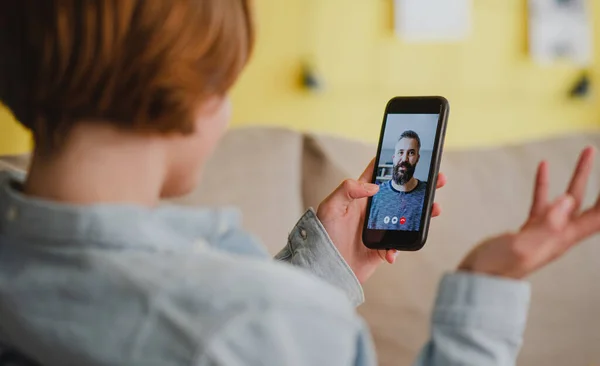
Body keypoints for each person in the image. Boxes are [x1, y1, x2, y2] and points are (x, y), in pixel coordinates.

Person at [0, 1, 599, 365]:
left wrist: (322, 268)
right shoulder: (261, 323)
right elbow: (243, 334)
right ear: (187, 97)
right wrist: (485, 286)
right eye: (227, 83)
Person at [368, 130, 427, 231]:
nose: (404, 159)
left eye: (411, 153)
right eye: (400, 152)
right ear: (394, 157)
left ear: (417, 158)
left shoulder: (426, 193)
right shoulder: (376, 194)